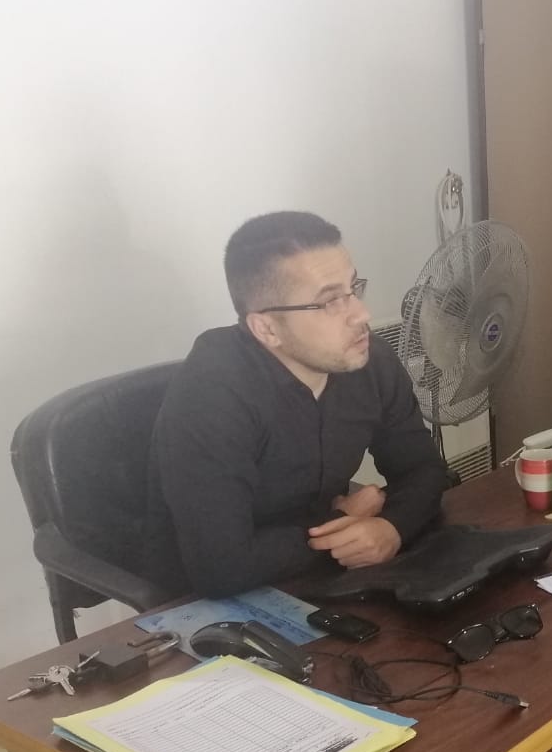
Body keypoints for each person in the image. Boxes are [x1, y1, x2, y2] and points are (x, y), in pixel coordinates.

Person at [141, 210, 447, 599]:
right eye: (330, 301)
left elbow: (423, 468)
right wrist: (344, 517)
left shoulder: (368, 360)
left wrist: (392, 527)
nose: (361, 315)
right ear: (267, 328)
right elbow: (221, 567)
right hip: (203, 602)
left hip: (315, 571)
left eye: (353, 288)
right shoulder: (211, 397)